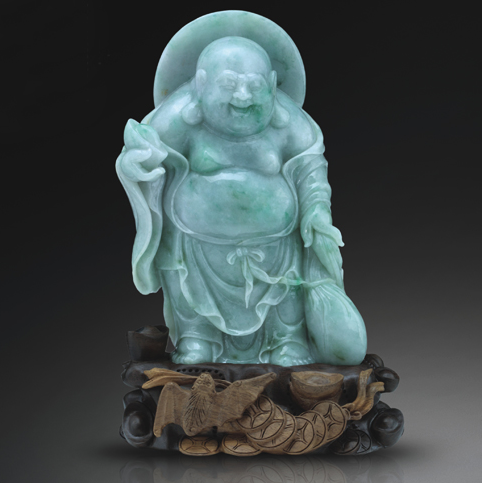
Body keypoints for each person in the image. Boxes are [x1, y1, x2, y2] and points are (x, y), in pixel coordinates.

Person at [117, 34, 367, 366]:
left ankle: (286, 341)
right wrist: (135, 164)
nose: (243, 96)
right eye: (229, 84)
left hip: (277, 244)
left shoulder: (287, 119)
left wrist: (317, 211)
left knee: (287, 288)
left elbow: (311, 167)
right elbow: (144, 148)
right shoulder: (181, 114)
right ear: (201, 84)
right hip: (194, 243)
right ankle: (197, 338)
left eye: (255, 85)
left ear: (273, 84)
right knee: (184, 277)